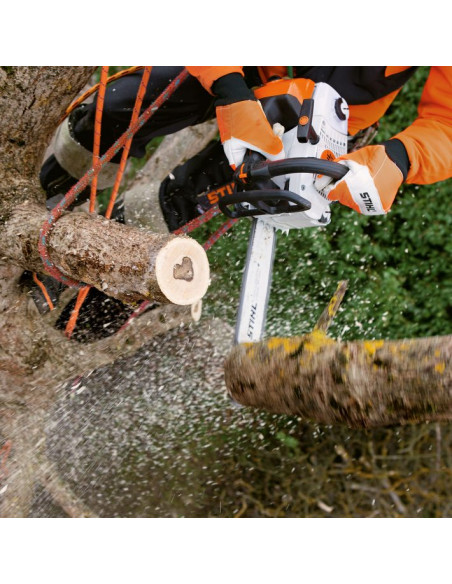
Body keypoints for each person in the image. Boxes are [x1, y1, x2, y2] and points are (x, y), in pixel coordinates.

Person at [40, 66, 452, 229]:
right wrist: (229, 87)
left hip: (324, 111)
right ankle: (49, 195)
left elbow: (447, 123)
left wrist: (402, 157)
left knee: (184, 203)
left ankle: (80, 299)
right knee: (119, 108)